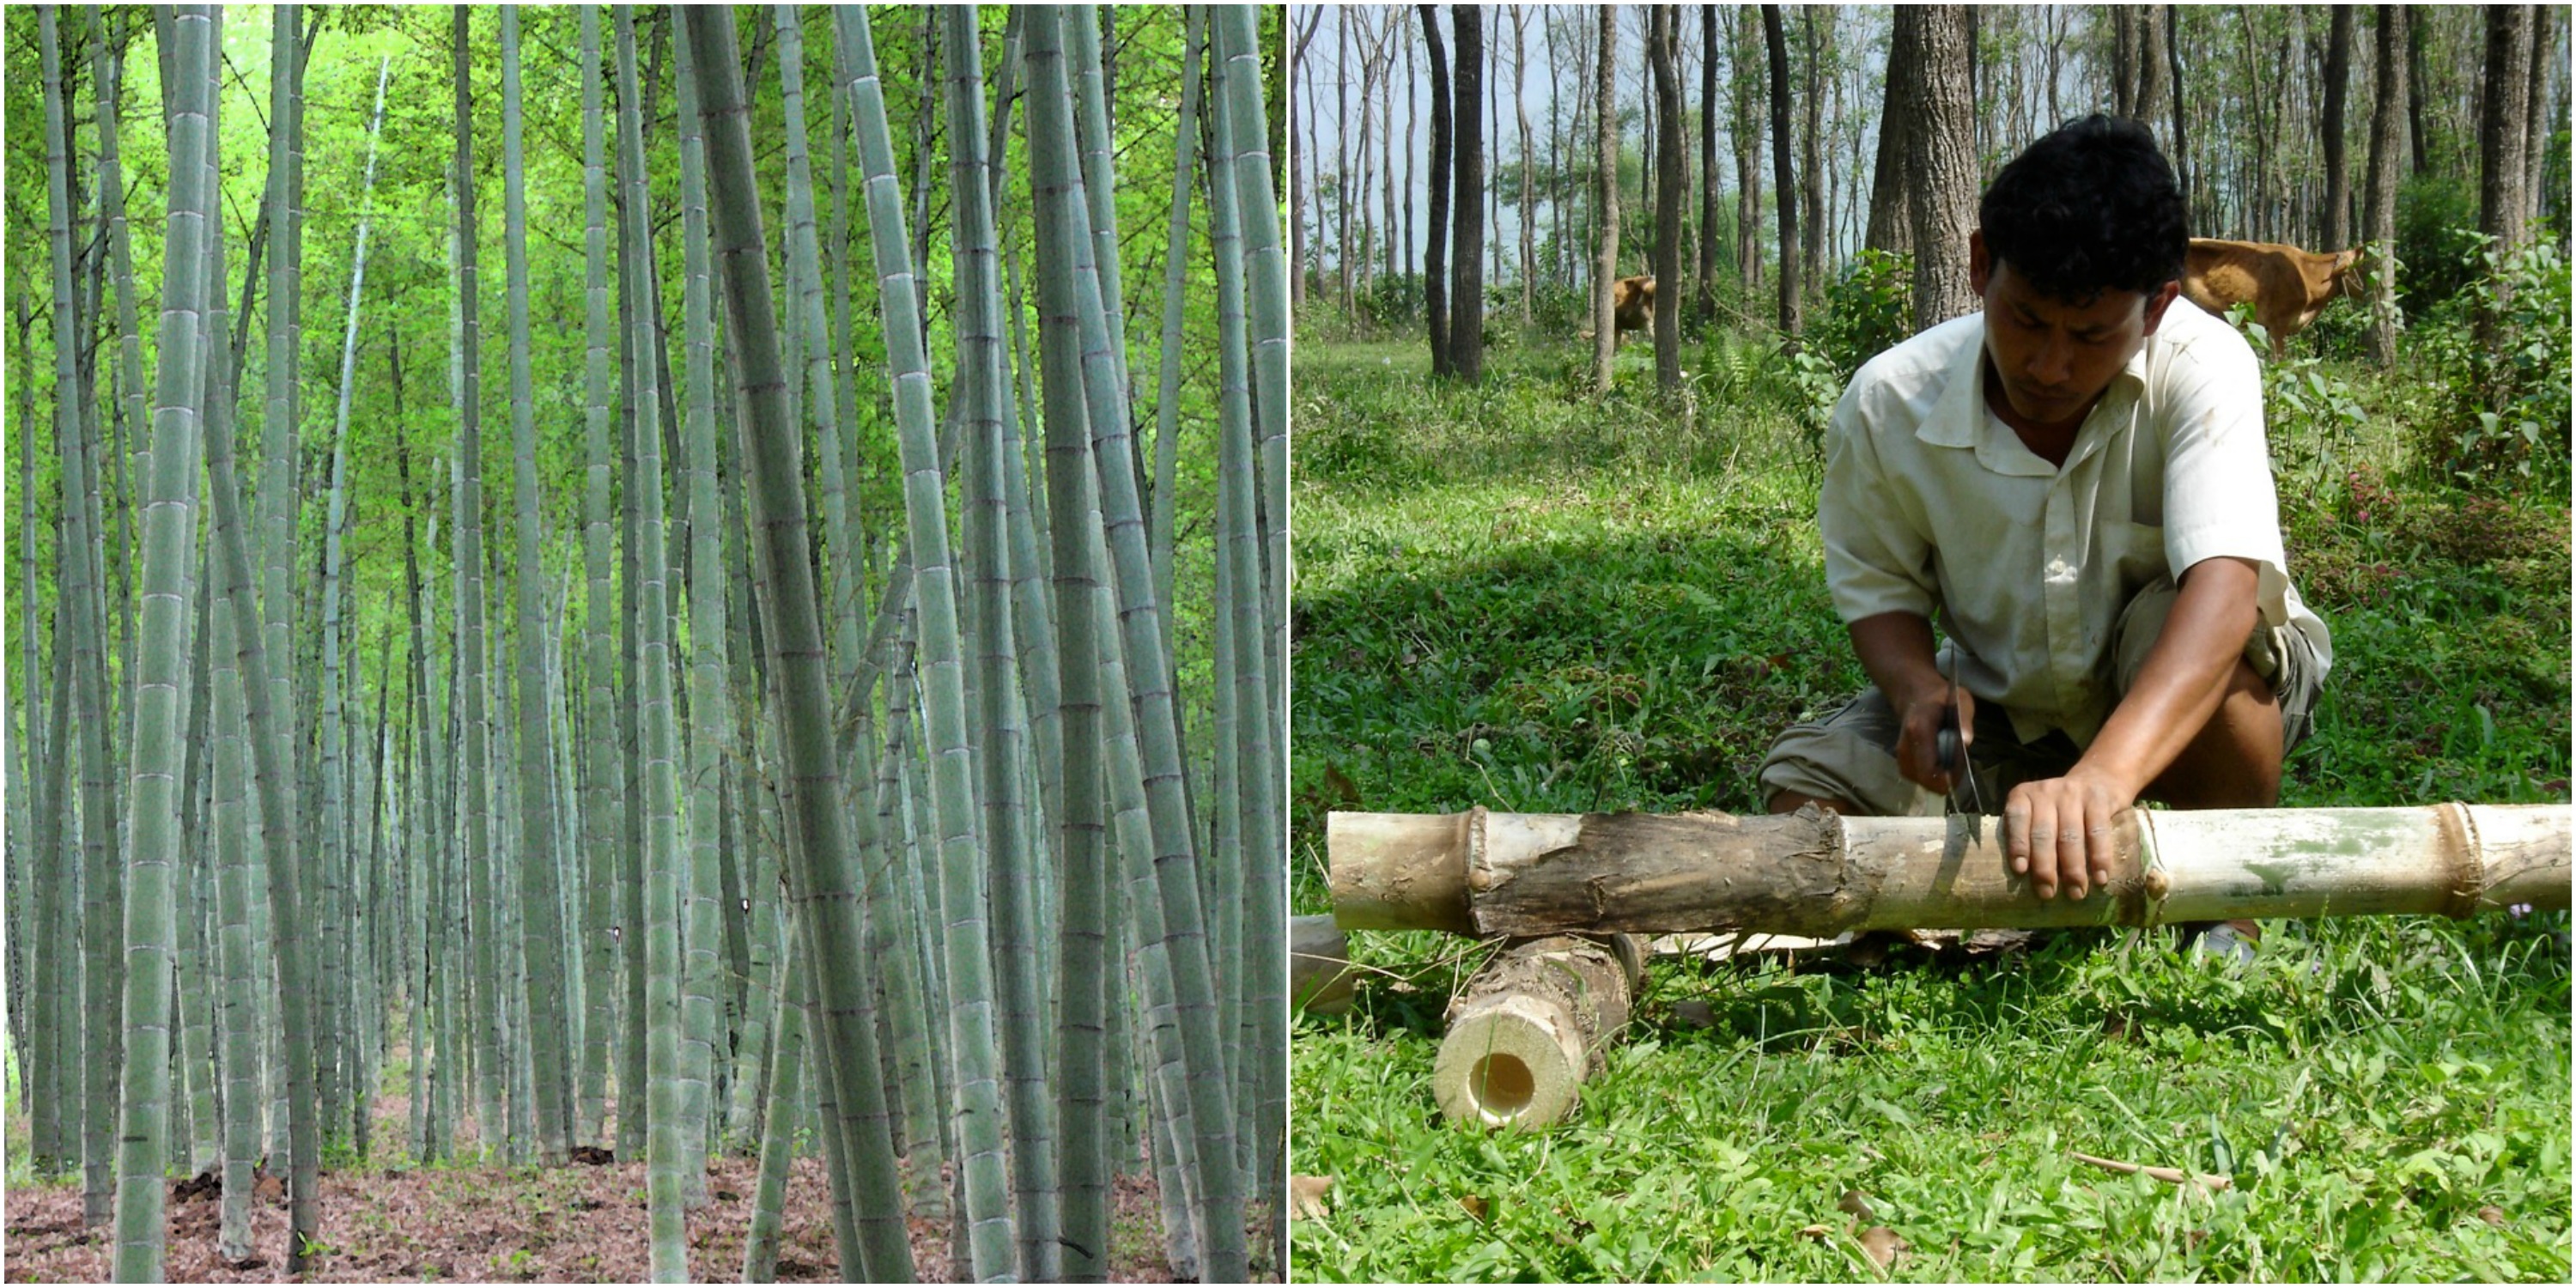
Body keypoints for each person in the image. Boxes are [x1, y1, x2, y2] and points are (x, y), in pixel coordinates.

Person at [1755, 114, 2331, 963]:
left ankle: (2223, 910)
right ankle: (1938, 896)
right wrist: (1920, 692)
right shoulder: (1888, 403)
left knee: (2210, 632)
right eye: (2025, 320)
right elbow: (1880, 595)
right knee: (1806, 791)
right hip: (2004, 704)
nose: (2050, 366)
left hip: (2191, 700)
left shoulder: (2205, 366)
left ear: (2158, 305)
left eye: (2093, 335)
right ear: (1982, 264)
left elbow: (2222, 594)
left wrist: (2103, 779)